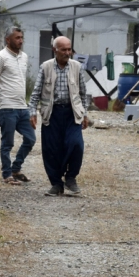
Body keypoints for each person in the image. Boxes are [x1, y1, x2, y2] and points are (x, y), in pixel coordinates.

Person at [29, 36, 89, 196]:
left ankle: (71, 178)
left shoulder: (76, 67)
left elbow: (83, 93)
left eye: (69, 49)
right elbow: (36, 92)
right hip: (52, 113)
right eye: (64, 50)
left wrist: (85, 114)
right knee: (51, 150)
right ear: (55, 50)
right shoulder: (46, 67)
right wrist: (32, 112)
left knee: (76, 145)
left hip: (72, 113)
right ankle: (56, 184)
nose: (67, 53)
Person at [0, 26, 35, 185]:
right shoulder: (1, 57)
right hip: (7, 107)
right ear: (8, 40)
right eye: (17, 38)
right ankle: (7, 174)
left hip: (22, 107)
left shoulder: (24, 57)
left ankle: (16, 168)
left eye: (21, 37)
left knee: (30, 138)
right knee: (7, 143)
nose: (20, 40)